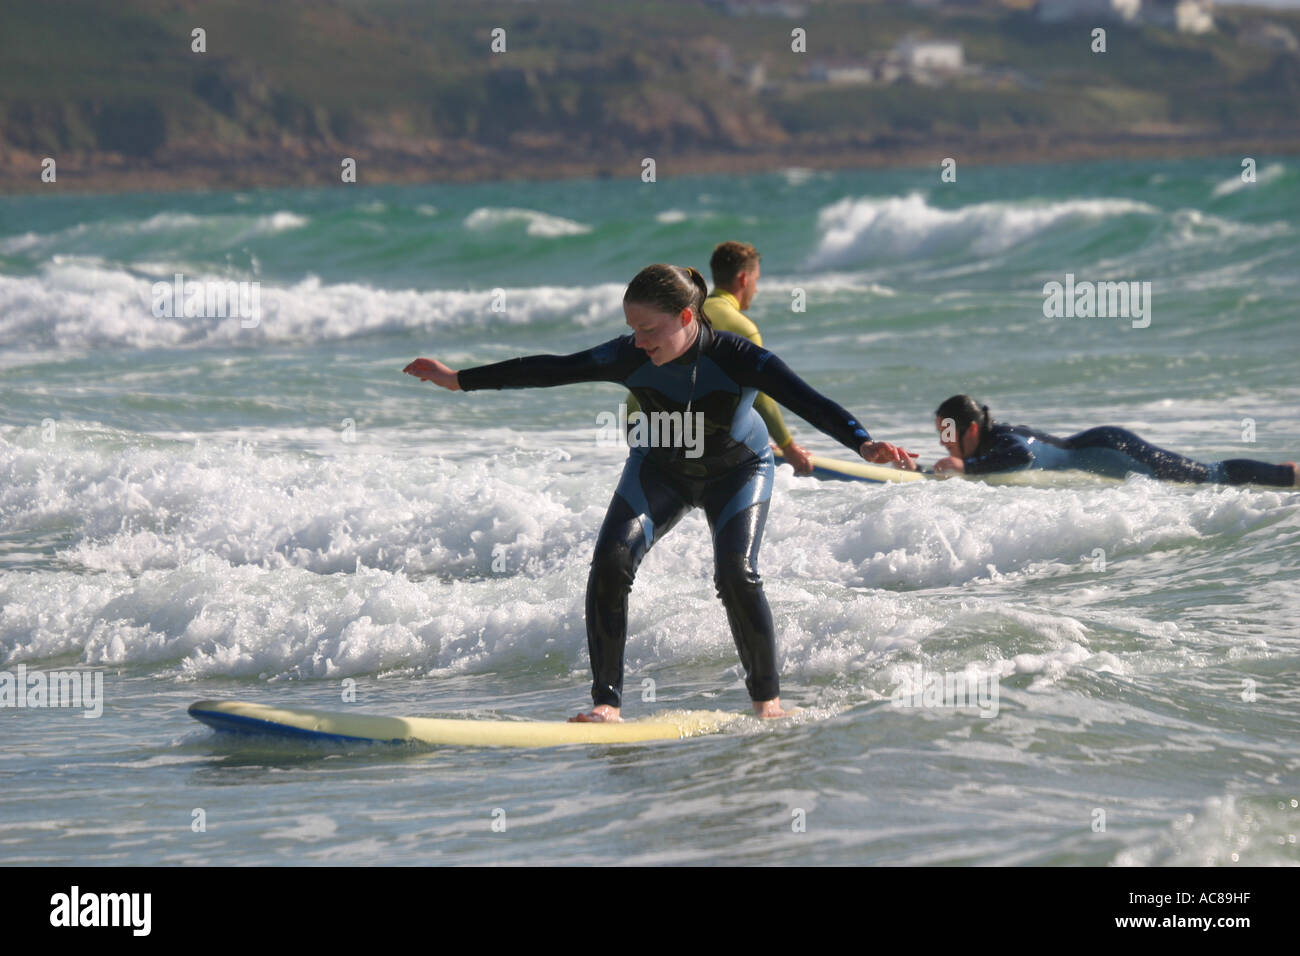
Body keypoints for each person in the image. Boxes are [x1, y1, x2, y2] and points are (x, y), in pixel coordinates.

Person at [404, 264, 913, 722]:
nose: (638, 340)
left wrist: (863, 443)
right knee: (610, 561)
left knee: (736, 574)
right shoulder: (629, 356)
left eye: (649, 329)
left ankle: (767, 702)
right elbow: (551, 369)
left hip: (738, 471)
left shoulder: (740, 358)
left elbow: (810, 401)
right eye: (632, 328)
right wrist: (459, 380)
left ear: (688, 317)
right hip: (659, 468)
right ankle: (606, 705)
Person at [624, 242, 816, 475]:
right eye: (756, 280)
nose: (755, 289)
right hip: (686, 435)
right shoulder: (742, 328)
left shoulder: (680, 313)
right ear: (744, 279)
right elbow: (761, 397)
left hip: (639, 423)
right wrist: (789, 449)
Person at [910, 394, 1298, 486]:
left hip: (1110, 447)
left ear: (971, 430)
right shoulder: (990, 448)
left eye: (947, 434)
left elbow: (1022, 457)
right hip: (1100, 449)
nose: (944, 444)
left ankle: (1288, 476)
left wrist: (967, 467)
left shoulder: (1005, 441)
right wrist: (919, 471)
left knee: (1210, 477)